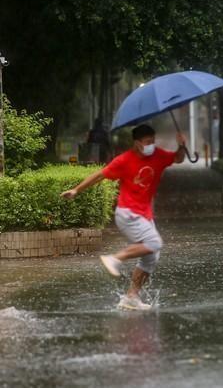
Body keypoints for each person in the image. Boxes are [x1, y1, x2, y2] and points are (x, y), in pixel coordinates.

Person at [61, 124, 186, 310]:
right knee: (155, 243)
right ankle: (115, 258)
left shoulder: (158, 155)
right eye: (147, 142)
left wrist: (182, 146)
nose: (151, 145)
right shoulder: (124, 160)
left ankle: (131, 297)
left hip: (144, 214)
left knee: (151, 257)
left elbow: (178, 158)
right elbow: (99, 175)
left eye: (153, 141)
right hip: (128, 214)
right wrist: (76, 190)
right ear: (137, 143)